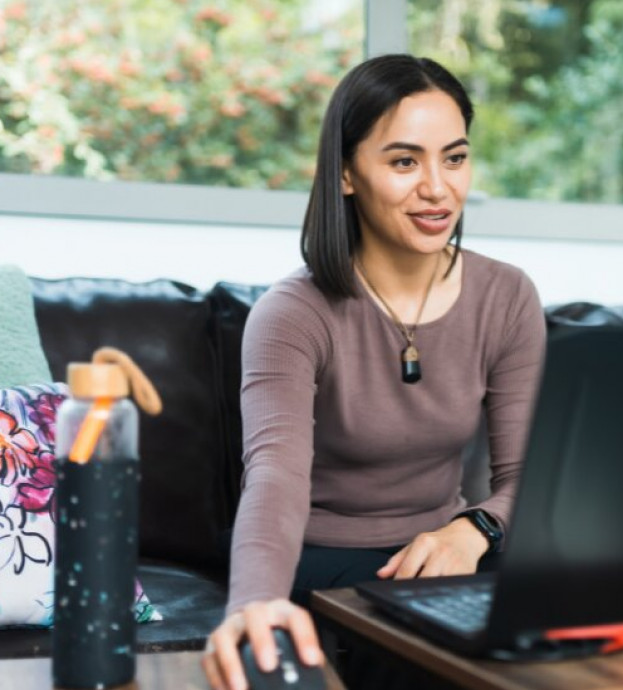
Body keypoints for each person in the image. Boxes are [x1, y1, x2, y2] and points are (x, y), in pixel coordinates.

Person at [202, 53, 547, 690]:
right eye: (404, 161)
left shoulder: (507, 296)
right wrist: (254, 608)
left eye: (455, 157)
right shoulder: (293, 313)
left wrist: (473, 529)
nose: (438, 188)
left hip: (450, 552)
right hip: (327, 563)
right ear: (345, 174)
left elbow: (529, 479)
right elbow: (275, 477)